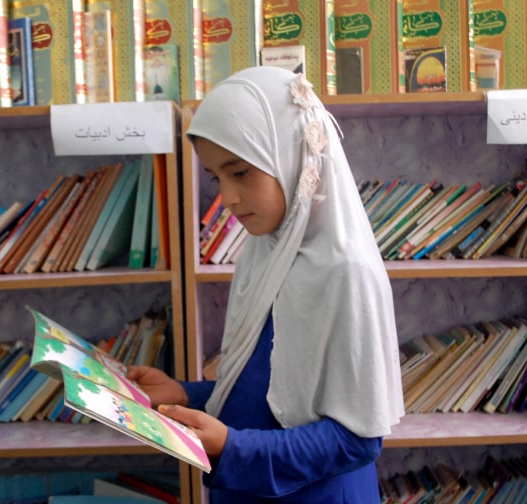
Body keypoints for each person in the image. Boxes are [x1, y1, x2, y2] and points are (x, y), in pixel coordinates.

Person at [127, 66, 405, 503]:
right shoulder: (264, 251)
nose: (228, 198)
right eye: (217, 178)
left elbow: (359, 439)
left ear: (292, 156)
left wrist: (235, 448)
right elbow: (270, 387)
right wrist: (187, 394)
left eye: (240, 173)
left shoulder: (346, 272)